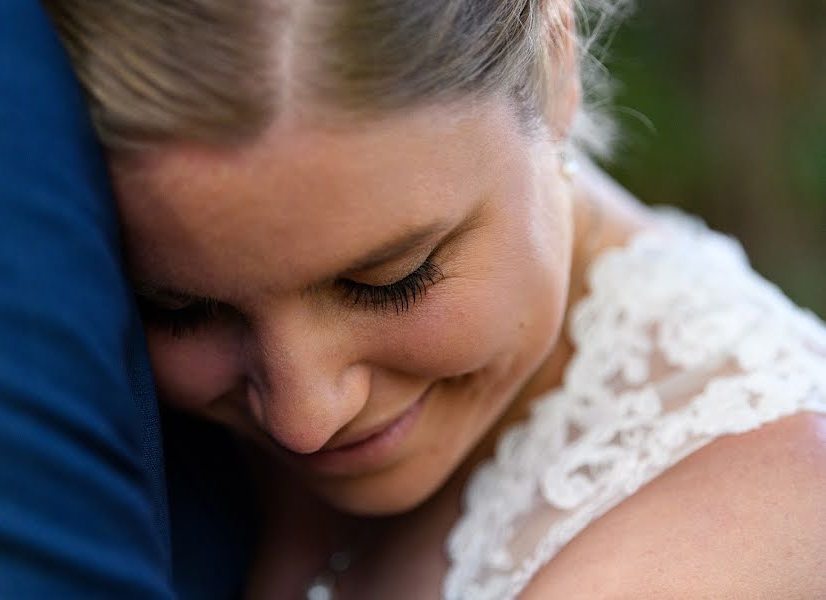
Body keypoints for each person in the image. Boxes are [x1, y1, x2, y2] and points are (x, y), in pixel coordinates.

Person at [43, 1, 826, 598]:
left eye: (393, 281)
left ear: (554, 67)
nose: (304, 420)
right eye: (181, 309)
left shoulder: (766, 519)